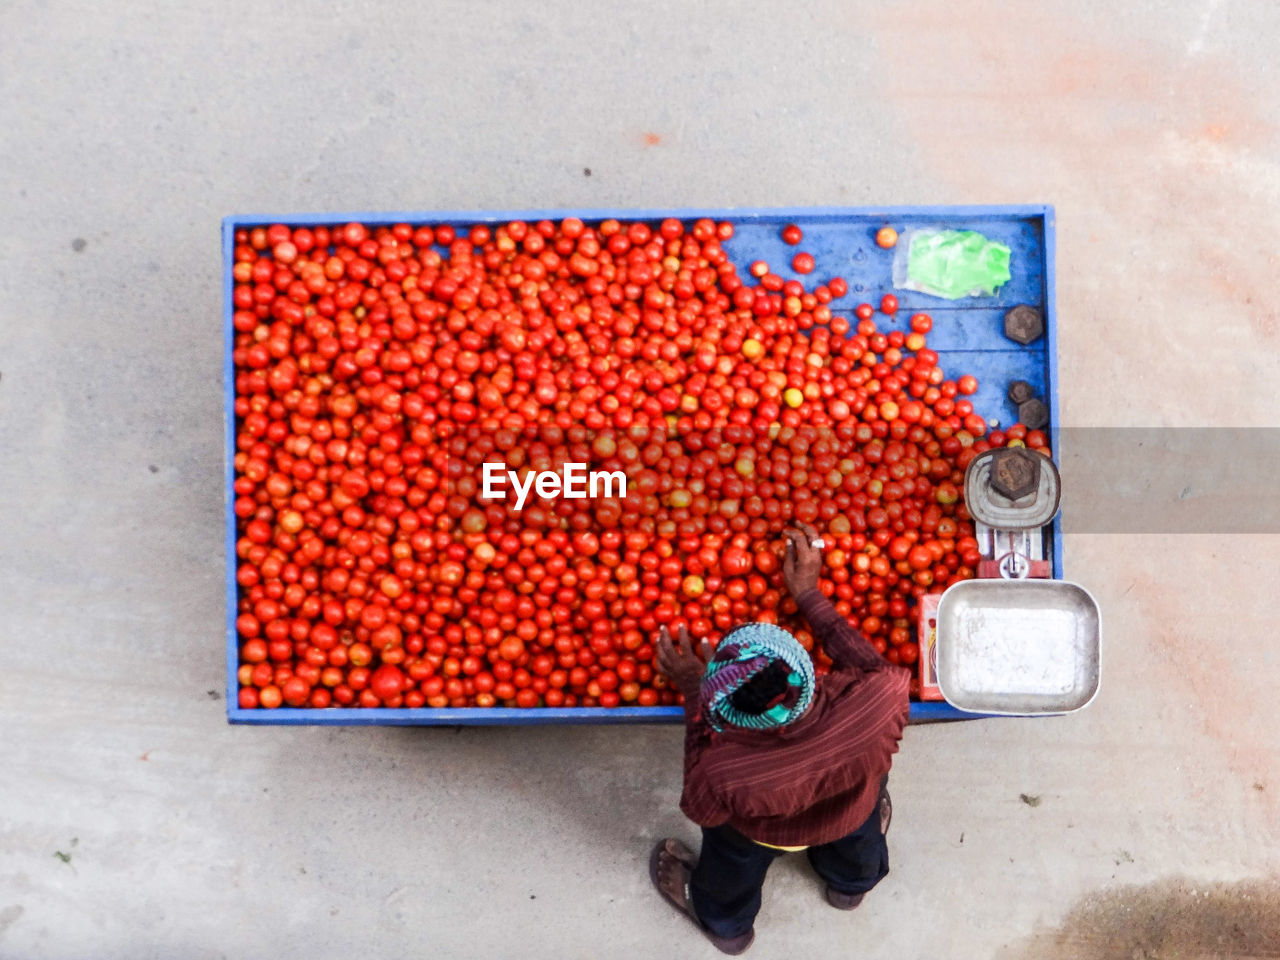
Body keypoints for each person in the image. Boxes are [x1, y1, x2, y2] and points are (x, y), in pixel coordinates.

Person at [649, 522, 911, 955]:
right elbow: (876, 667)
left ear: (727, 713)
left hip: (761, 832)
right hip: (851, 806)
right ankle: (850, 887)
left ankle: (728, 929)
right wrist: (809, 594)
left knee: (732, 864)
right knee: (859, 840)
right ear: (810, 674)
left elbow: (702, 809)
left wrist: (693, 690)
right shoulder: (877, 700)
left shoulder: (725, 769)